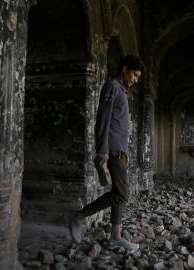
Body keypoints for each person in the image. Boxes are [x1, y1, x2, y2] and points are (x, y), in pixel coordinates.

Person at [69, 55, 145, 252]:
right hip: (111, 150)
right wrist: (102, 149)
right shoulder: (112, 87)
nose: (135, 80)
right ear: (125, 69)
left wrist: (126, 152)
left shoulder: (121, 90)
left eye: (138, 77)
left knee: (118, 192)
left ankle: (116, 237)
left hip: (120, 151)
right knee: (122, 194)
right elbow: (102, 120)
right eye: (135, 75)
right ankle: (80, 216)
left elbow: (120, 125)